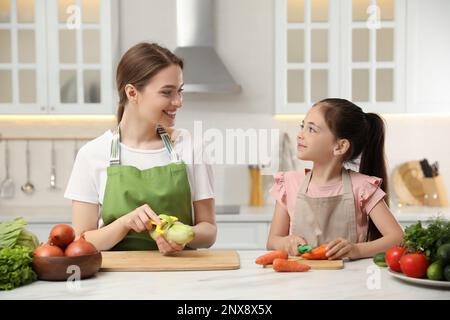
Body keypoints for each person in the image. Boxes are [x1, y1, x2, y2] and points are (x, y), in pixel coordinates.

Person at [64, 42, 216, 254]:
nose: (178, 102)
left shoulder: (191, 146)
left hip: (182, 277)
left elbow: (208, 231)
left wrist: (184, 235)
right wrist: (124, 223)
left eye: (179, 91)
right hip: (114, 281)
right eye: (167, 92)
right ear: (132, 93)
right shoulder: (92, 154)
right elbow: (82, 241)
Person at [267, 98, 404, 259]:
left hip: (349, 280)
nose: (300, 135)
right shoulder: (289, 184)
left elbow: (399, 239)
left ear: (340, 146)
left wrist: (357, 250)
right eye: (303, 126)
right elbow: (272, 241)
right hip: (299, 279)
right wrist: (285, 242)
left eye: (311, 129)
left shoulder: (362, 188)